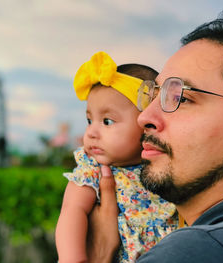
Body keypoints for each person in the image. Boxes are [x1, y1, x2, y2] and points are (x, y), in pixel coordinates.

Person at [87, 12, 223, 262]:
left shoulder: (194, 251)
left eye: (181, 98)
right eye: (154, 95)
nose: (144, 117)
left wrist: (99, 256)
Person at [55, 51, 180, 263]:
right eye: (89, 120)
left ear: (148, 123)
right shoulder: (92, 169)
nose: (92, 132)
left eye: (107, 122)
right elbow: (71, 211)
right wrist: (73, 259)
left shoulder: (164, 166)